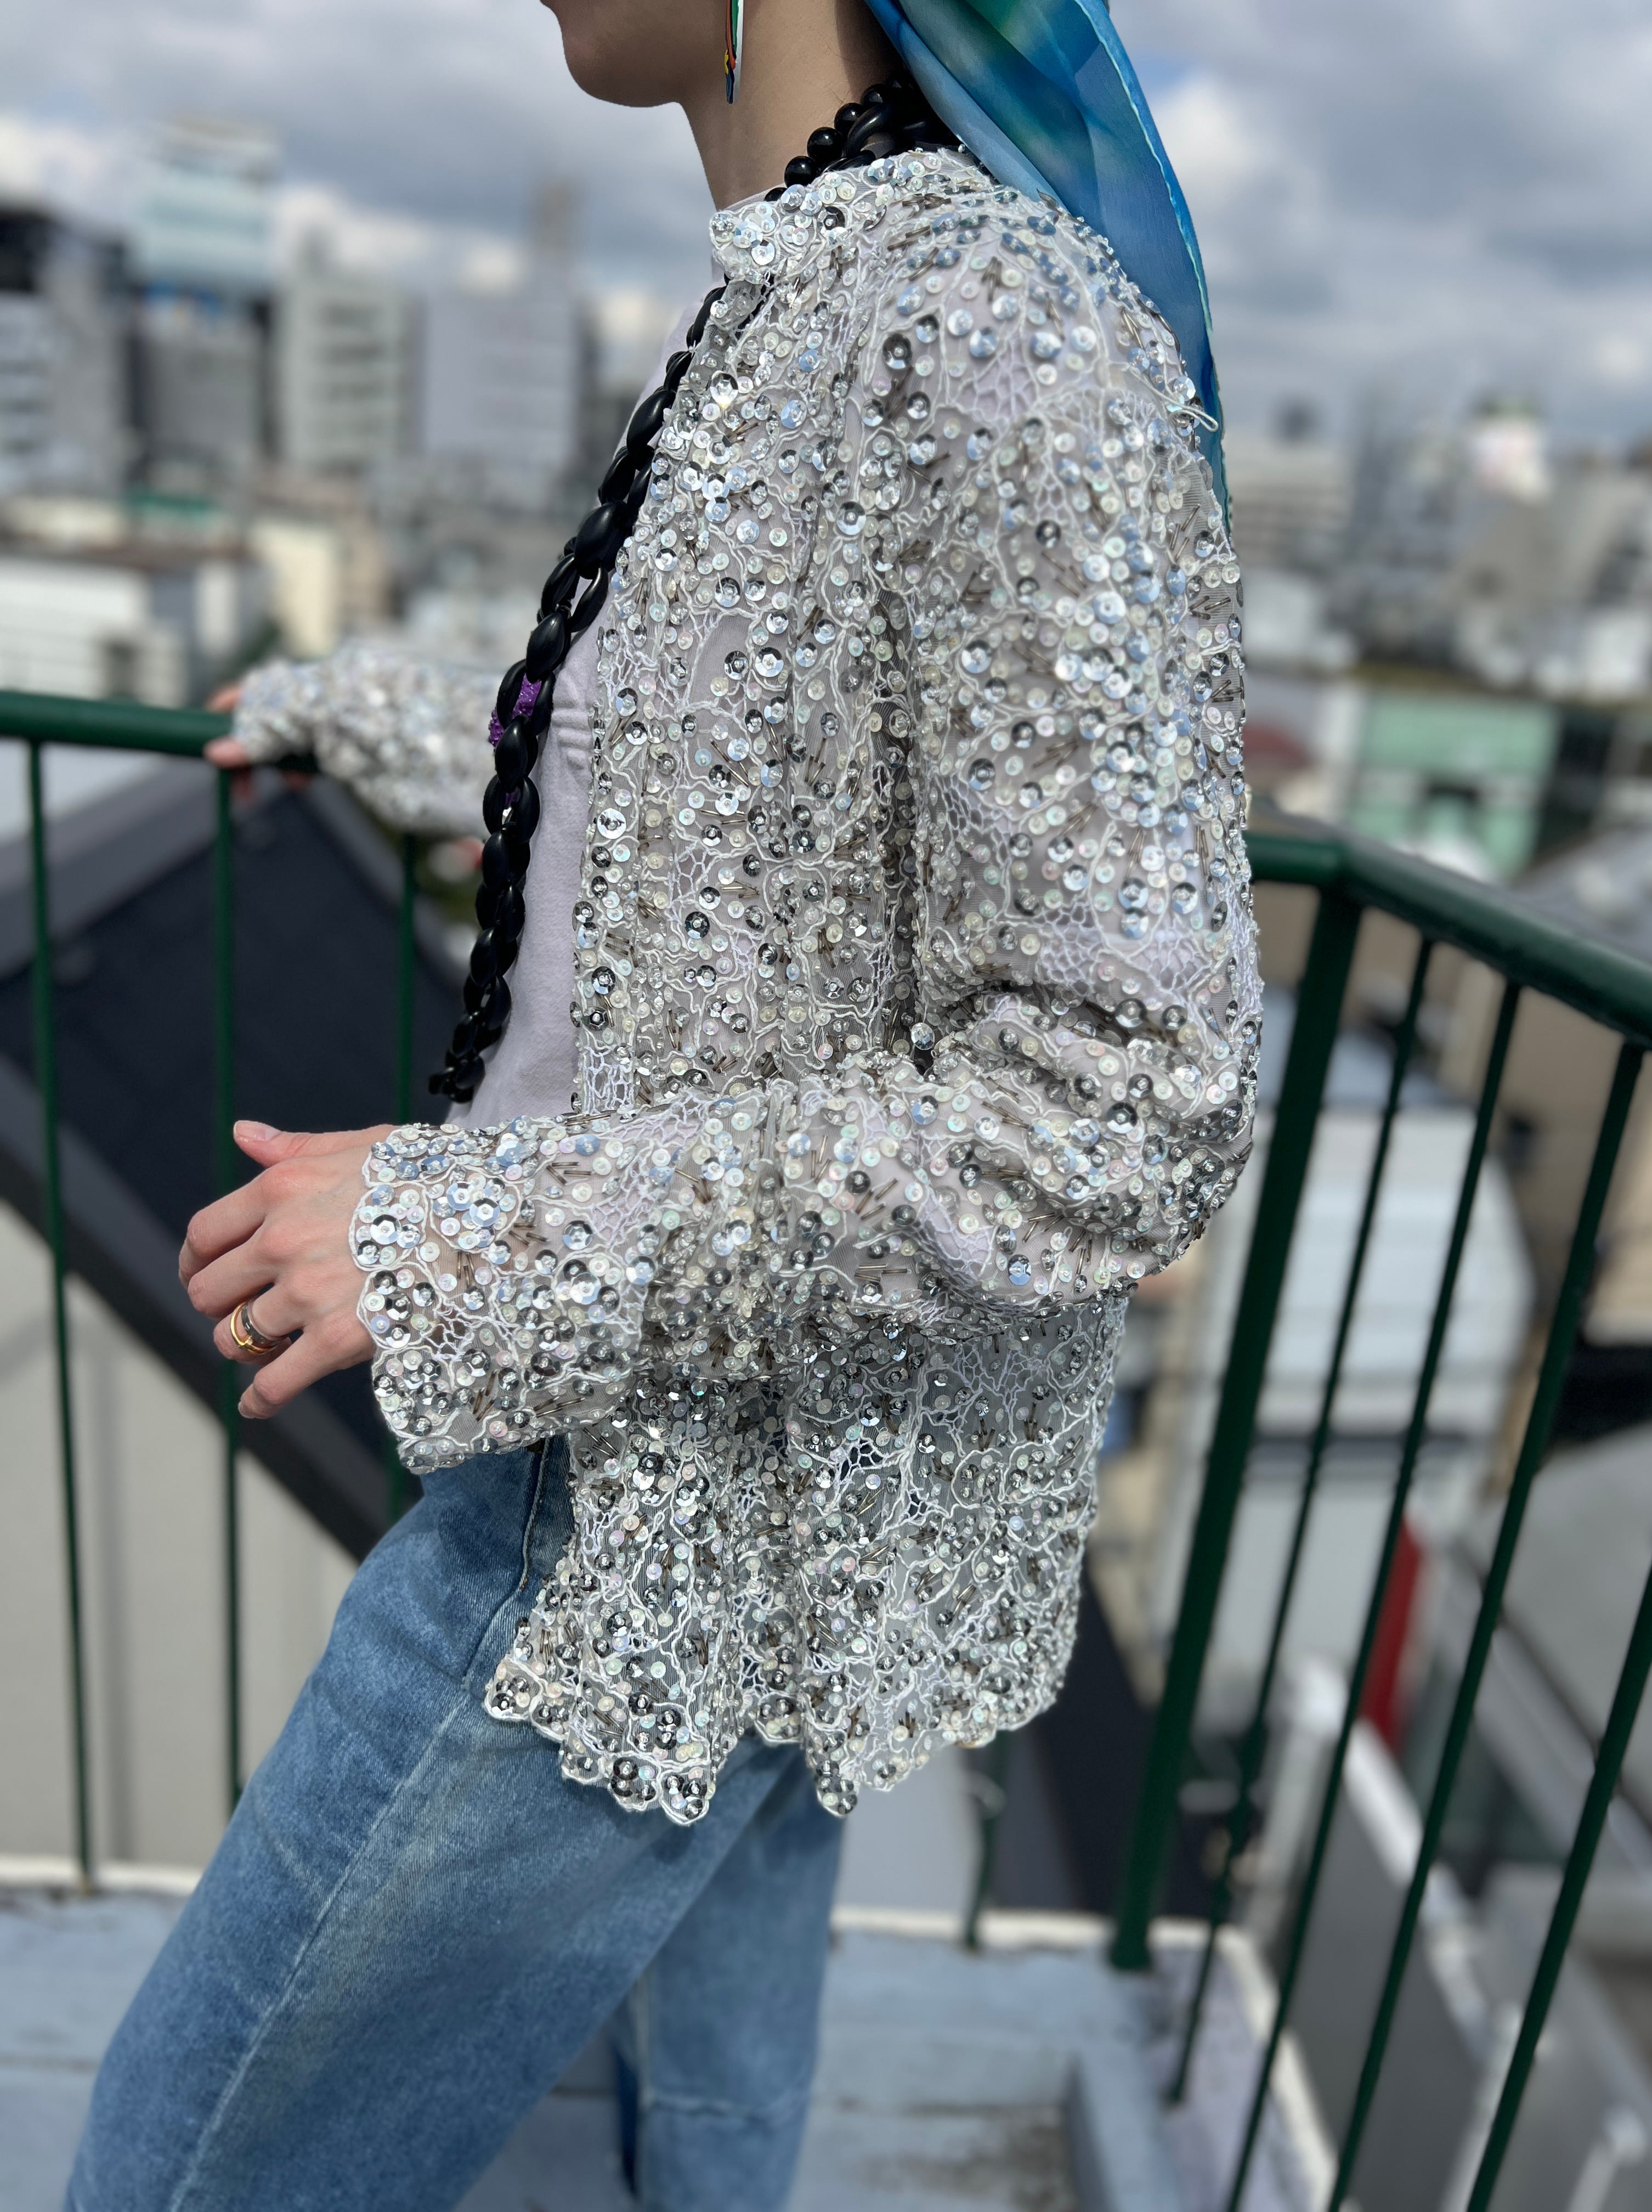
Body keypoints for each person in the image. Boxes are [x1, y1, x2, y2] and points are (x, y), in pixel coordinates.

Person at [69, 0, 1258, 2204]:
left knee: (176, 2171)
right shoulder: (840, 295)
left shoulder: (984, 329)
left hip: (635, 1506)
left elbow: (1128, 1093)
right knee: (702, 2141)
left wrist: (452, 1231)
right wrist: (370, 716)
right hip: (763, 1466)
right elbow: (708, 785)